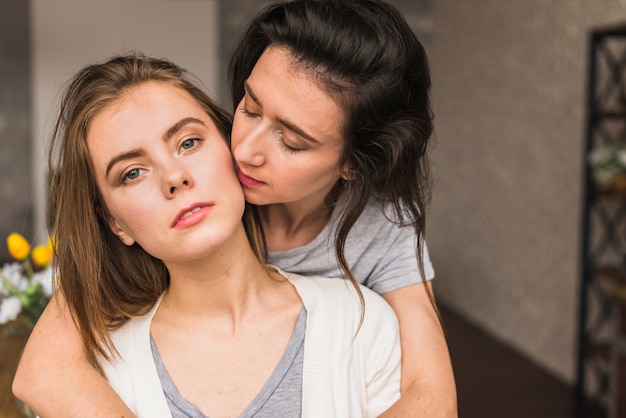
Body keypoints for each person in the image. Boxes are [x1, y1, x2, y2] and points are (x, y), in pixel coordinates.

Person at [14, 0, 457, 416]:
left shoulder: (378, 238)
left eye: (292, 141)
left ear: (351, 167)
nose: (244, 150)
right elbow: (42, 370)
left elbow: (432, 394)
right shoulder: (213, 178)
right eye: (249, 107)